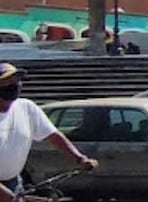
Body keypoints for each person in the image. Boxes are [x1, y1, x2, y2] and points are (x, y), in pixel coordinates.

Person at [0, 63, 97, 201]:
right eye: (7, 82)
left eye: (17, 81)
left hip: (14, 182)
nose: (14, 85)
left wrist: (80, 159)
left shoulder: (27, 108)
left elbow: (53, 136)